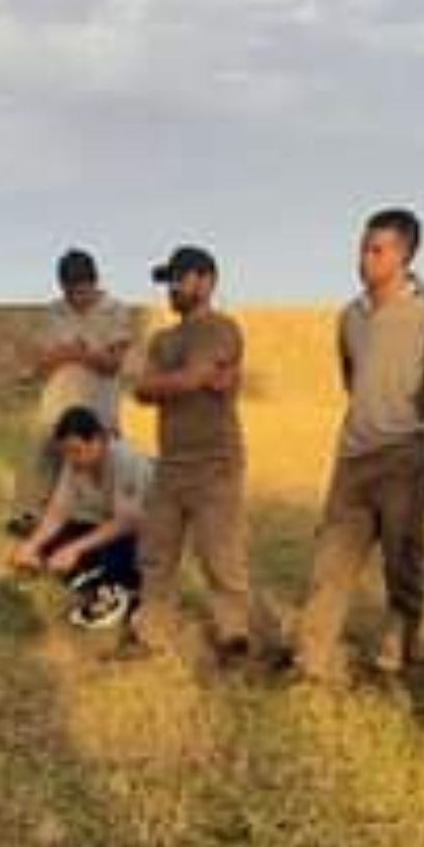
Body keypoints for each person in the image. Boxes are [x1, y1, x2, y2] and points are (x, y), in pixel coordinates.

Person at [288, 210, 424, 683]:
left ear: (405, 254)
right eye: (362, 248)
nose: (364, 260)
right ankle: (309, 661)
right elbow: (351, 375)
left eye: (376, 250)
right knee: (330, 561)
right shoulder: (350, 316)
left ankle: (396, 656)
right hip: (353, 457)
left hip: (407, 454)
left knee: (403, 559)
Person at [126, 245, 252, 662]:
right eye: (169, 281)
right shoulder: (163, 338)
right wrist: (189, 379)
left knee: (220, 555)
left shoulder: (220, 328)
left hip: (215, 461)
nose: (172, 289)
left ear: (206, 280)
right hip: (171, 463)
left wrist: (181, 379)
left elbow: (182, 380)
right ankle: (152, 632)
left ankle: (235, 635)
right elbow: (143, 389)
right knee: (156, 554)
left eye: (179, 279)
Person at [13, 249, 136, 536]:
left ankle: (105, 533)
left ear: (94, 283)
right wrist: (61, 355)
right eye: (70, 293)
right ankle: (43, 530)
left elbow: (112, 364)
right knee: (48, 470)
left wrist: (79, 353)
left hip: (98, 408)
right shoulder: (53, 312)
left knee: (102, 474)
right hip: (56, 405)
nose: (76, 300)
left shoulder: (115, 310)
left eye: (82, 292)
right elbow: (38, 364)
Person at [10, 405, 150, 630]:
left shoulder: (126, 459)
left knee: (108, 550)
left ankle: (118, 591)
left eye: (77, 450)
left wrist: (75, 549)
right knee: (55, 540)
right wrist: (31, 545)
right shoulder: (74, 462)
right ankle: (95, 581)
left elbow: (127, 522)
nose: (72, 458)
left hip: (142, 535)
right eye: (65, 452)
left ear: (99, 440)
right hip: (106, 527)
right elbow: (57, 512)